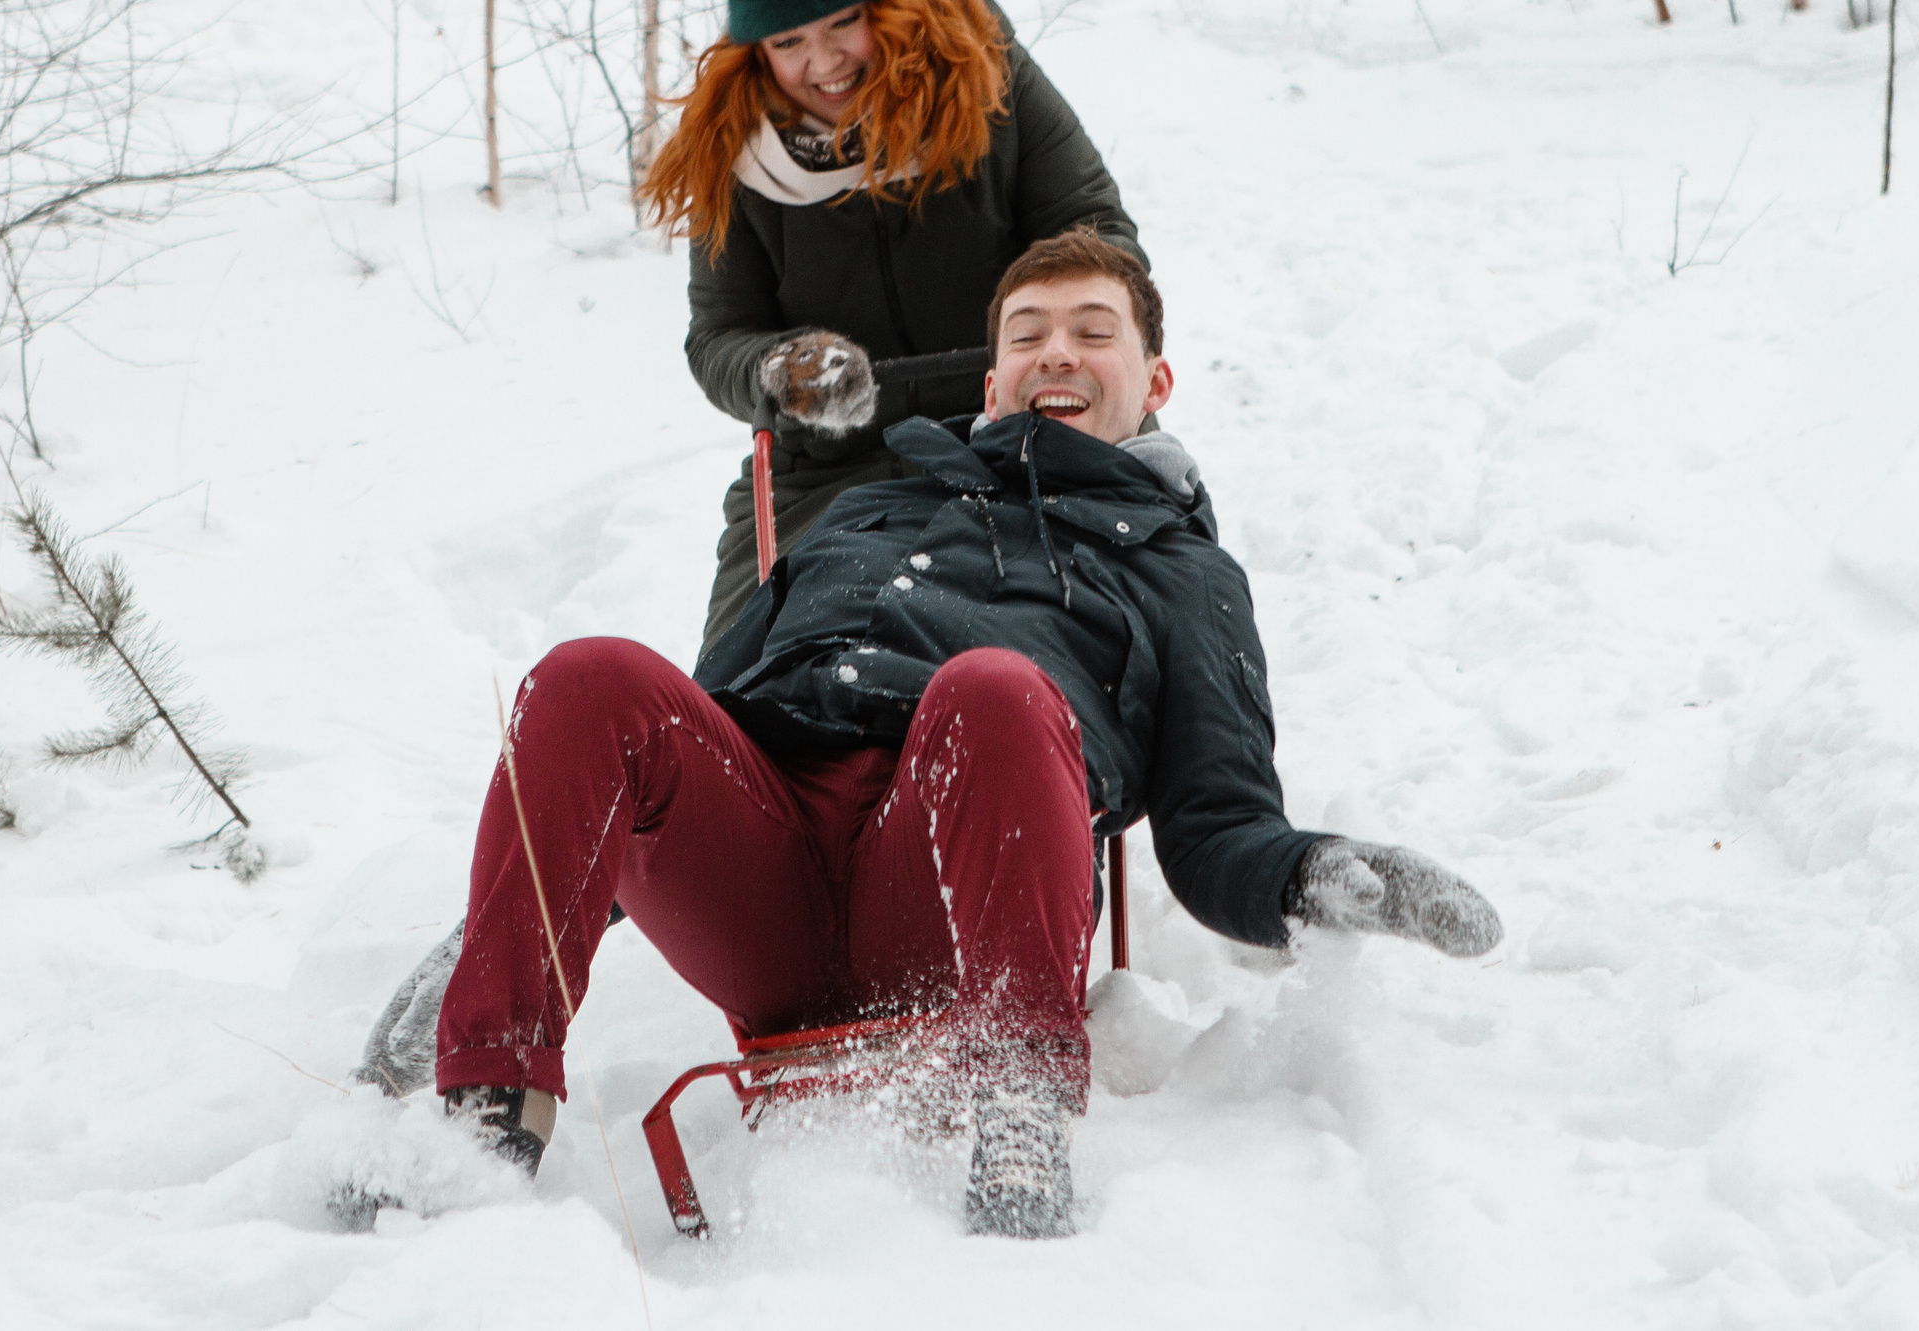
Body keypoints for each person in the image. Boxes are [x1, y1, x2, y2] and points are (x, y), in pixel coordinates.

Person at [426, 229, 1504, 1239]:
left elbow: (1217, 827)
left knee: (991, 685)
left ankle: (1022, 1120)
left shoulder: (1182, 573)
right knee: (589, 677)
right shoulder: (859, 516)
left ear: (1154, 380)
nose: (1056, 354)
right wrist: (495, 936)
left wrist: (1318, 873)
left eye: (1091, 330)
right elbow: (670, 744)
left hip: (954, 882)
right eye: (1028, 335)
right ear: (992, 384)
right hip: (768, 882)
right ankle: (482, 1124)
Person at [635, 0, 1147, 653]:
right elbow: (718, 336)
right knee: (748, 665)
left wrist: (1053, 341)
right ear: (755, 47)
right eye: (790, 40)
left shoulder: (985, 76)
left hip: (1030, 421)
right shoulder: (736, 152)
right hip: (830, 468)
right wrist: (780, 372)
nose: (824, 63)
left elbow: (1100, 235)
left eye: (844, 22)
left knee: (1145, 603)